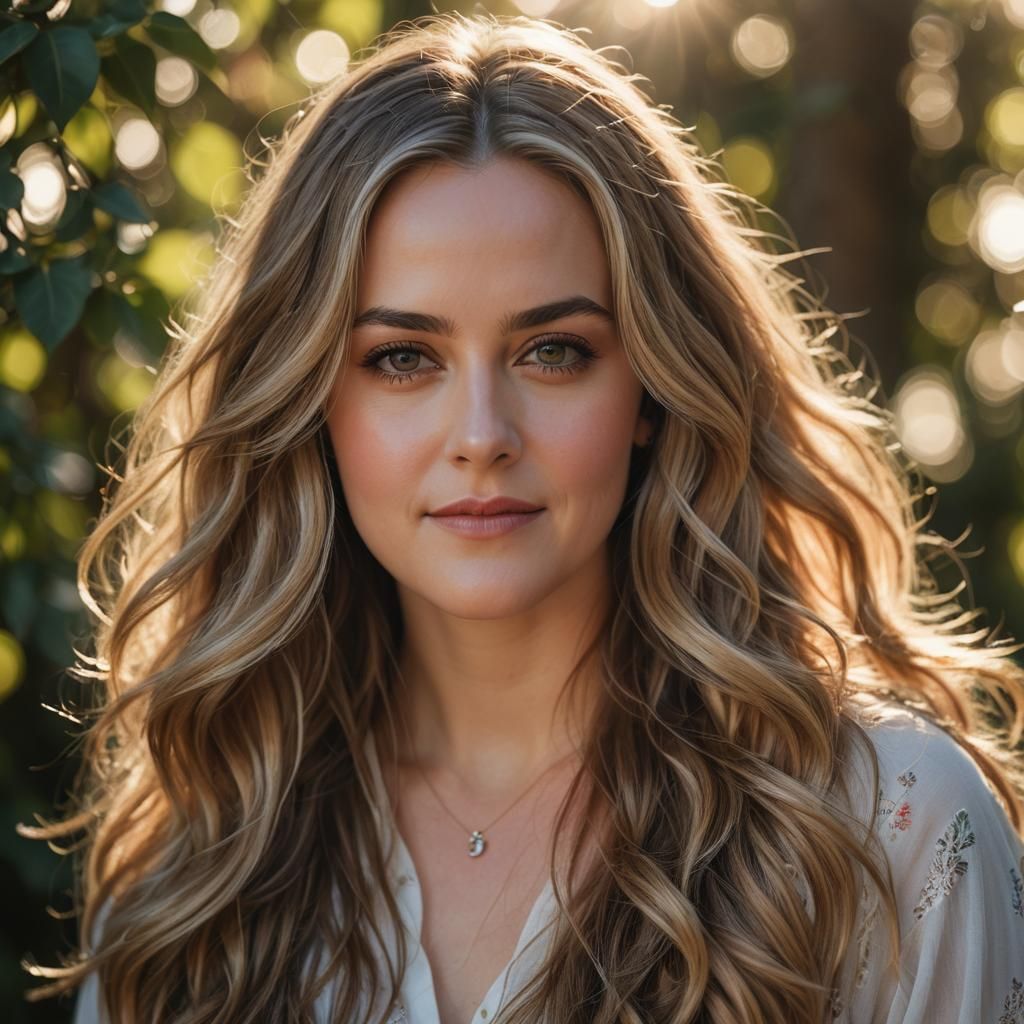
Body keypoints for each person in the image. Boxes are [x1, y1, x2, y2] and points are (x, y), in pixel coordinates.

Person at [20, 11, 1024, 1024]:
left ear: (652, 387)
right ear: (310, 402)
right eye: (402, 358)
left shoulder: (887, 830)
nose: (481, 435)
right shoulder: (197, 876)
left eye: (553, 351)